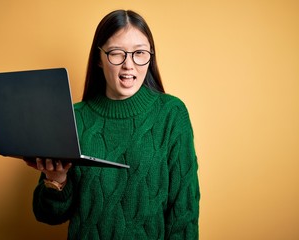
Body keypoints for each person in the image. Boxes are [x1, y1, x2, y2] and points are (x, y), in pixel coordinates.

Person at [27, 9, 200, 239]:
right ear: (99, 58)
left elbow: (184, 215)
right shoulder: (74, 118)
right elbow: (47, 215)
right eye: (117, 53)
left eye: (140, 53)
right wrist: (55, 180)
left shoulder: (171, 115)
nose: (129, 65)